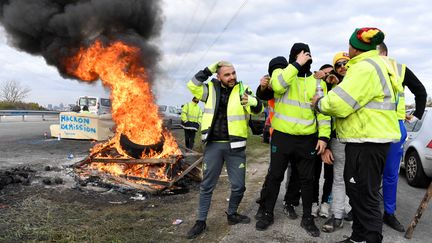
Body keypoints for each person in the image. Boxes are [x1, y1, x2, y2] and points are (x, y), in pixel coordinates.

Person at [313, 27, 402, 243]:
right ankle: (358, 238)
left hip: (367, 141)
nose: (348, 49)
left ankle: (370, 239)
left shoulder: (364, 68)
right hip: (366, 139)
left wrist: (319, 104)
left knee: (366, 197)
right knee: (357, 192)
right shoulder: (376, 64)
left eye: (349, 45)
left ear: (355, 48)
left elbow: (341, 104)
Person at [255, 43, 331, 238]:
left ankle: (307, 218)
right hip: (282, 137)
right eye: (298, 56)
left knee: (307, 180)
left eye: (306, 55)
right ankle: (267, 213)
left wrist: (323, 137)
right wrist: (296, 64)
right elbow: (277, 86)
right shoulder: (283, 76)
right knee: (275, 176)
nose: (303, 58)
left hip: (307, 139)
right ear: (292, 58)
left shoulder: (317, 82)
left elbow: (323, 112)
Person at [186, 61, 264, 239]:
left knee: (239, 186)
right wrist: (209, 69)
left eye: (233, 73)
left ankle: (232, 214)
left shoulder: (243, 89)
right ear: (218, 76)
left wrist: (252, 101)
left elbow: (259, 107)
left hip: (235, 146)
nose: (232, 77)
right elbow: (192, 84)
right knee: (207, 186)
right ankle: (200, 221)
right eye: (227, 75)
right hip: (214, 145)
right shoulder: (209, 90)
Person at [377, 42, 427, 232]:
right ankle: (361, 209)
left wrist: (417, 116)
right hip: (370, 127)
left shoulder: (399, 69)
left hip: (394, 128)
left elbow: (421, 92)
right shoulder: (365, 68)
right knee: (367, 172)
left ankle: (389, 213)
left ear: (385, 53)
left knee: (390, 174)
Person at [254, 56, 302, 221]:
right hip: (278, 135)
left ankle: (290, 202)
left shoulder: (290, 82)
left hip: (295, 135)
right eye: (275, 69)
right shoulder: (274, 84)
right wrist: (262, 86)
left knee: (294, 172)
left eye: (281, 68)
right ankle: (265, 204)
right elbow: (263, 93)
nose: (278, 71)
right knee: (274, 174)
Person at [320, 52, 352, 233]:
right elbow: (325, 116)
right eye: (338, 65)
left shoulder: (360, 81)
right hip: (339, 140)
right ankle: (337, 216)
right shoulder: (330, 87)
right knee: (338, 179)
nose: (342, 67)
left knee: (361, 179)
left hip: (362, 140)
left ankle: (359, 214)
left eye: (345, 63)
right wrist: (326, 145)